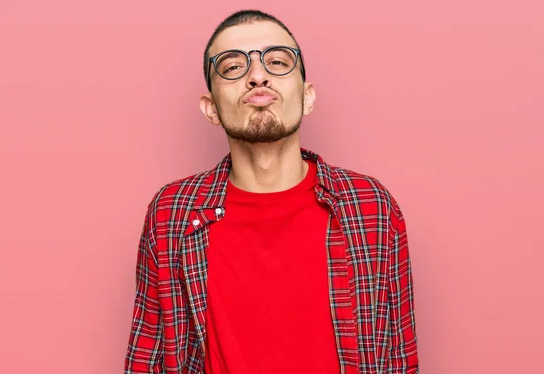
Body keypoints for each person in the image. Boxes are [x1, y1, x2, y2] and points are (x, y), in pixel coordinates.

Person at [124, 9, 419, 374]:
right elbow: (147, 362)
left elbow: (398, 359)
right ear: (211, 108)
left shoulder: (371, 208)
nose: (257, 76)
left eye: (277, 61)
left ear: (307, 97)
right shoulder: (173, 215)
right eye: (232, 67)